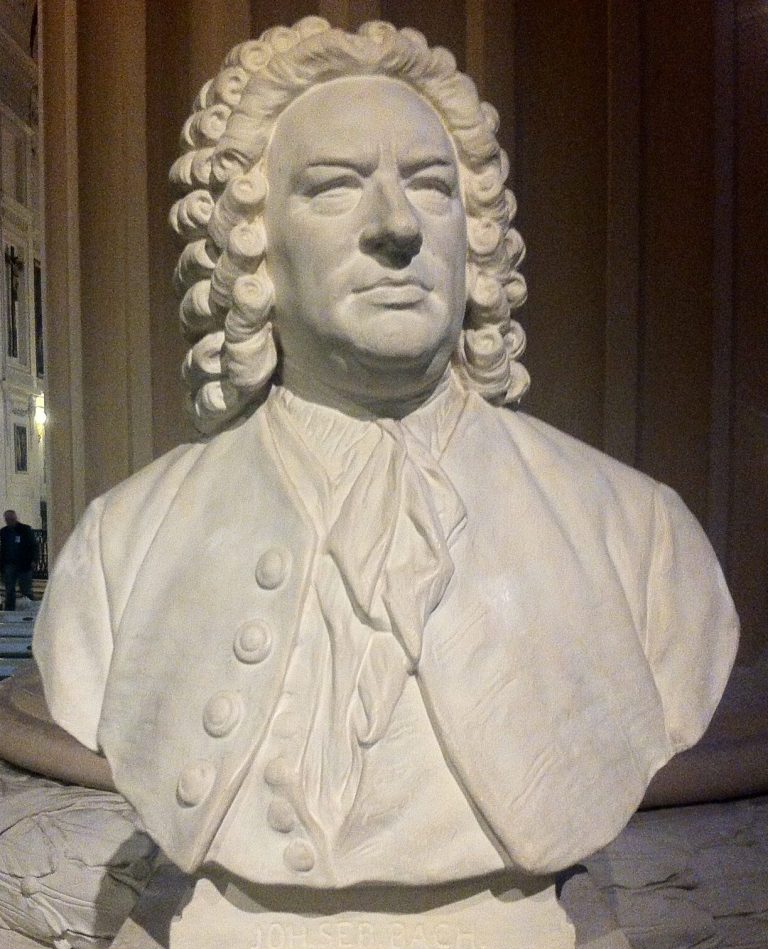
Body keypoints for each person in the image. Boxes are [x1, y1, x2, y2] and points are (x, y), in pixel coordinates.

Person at [34, 20, 738, 888]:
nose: (398, 226)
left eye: (432, 187)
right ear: (251, 245)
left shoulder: (642, 539)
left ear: (475, 240)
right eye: (335, 188)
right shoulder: (120, 548)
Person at [1, 510, 37, 611]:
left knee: (26, 588)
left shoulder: (25, 529)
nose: (9, 521)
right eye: (8, 519)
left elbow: (33, 546)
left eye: (11, 519)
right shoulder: (3, 532)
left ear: (15, 518)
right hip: (9, 564)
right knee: (9, 589)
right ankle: (9, 610)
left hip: (24, 564)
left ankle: (31, 609)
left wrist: (34, 559)